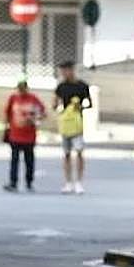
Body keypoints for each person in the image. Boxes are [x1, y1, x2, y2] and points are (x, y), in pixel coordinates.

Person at [55, 60, 92, 194]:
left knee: (79, 152)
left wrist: (80, 107)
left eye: (66, 70)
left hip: (77, 124)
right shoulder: (61, 87)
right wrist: (58, 107)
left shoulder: (82, 86)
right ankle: (68, 182)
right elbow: (55, 103)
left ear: (71, 70)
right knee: (66, 153)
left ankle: (79, 182)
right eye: (62, 71)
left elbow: (89, 103)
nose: (64, 73)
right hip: (66, 123)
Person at [3, 80, 46, 192]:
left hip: (29, 136)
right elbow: (7, 114)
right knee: (14, 160)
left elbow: (43, 113)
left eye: (23, 88)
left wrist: (34, 119)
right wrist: (6, 128)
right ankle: (13, 182)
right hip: (15, 134)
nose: (21, 90)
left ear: (26, 88)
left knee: (29, 160)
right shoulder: (13, 98)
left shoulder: (33, 99)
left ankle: (29, 182)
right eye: (19, 88)